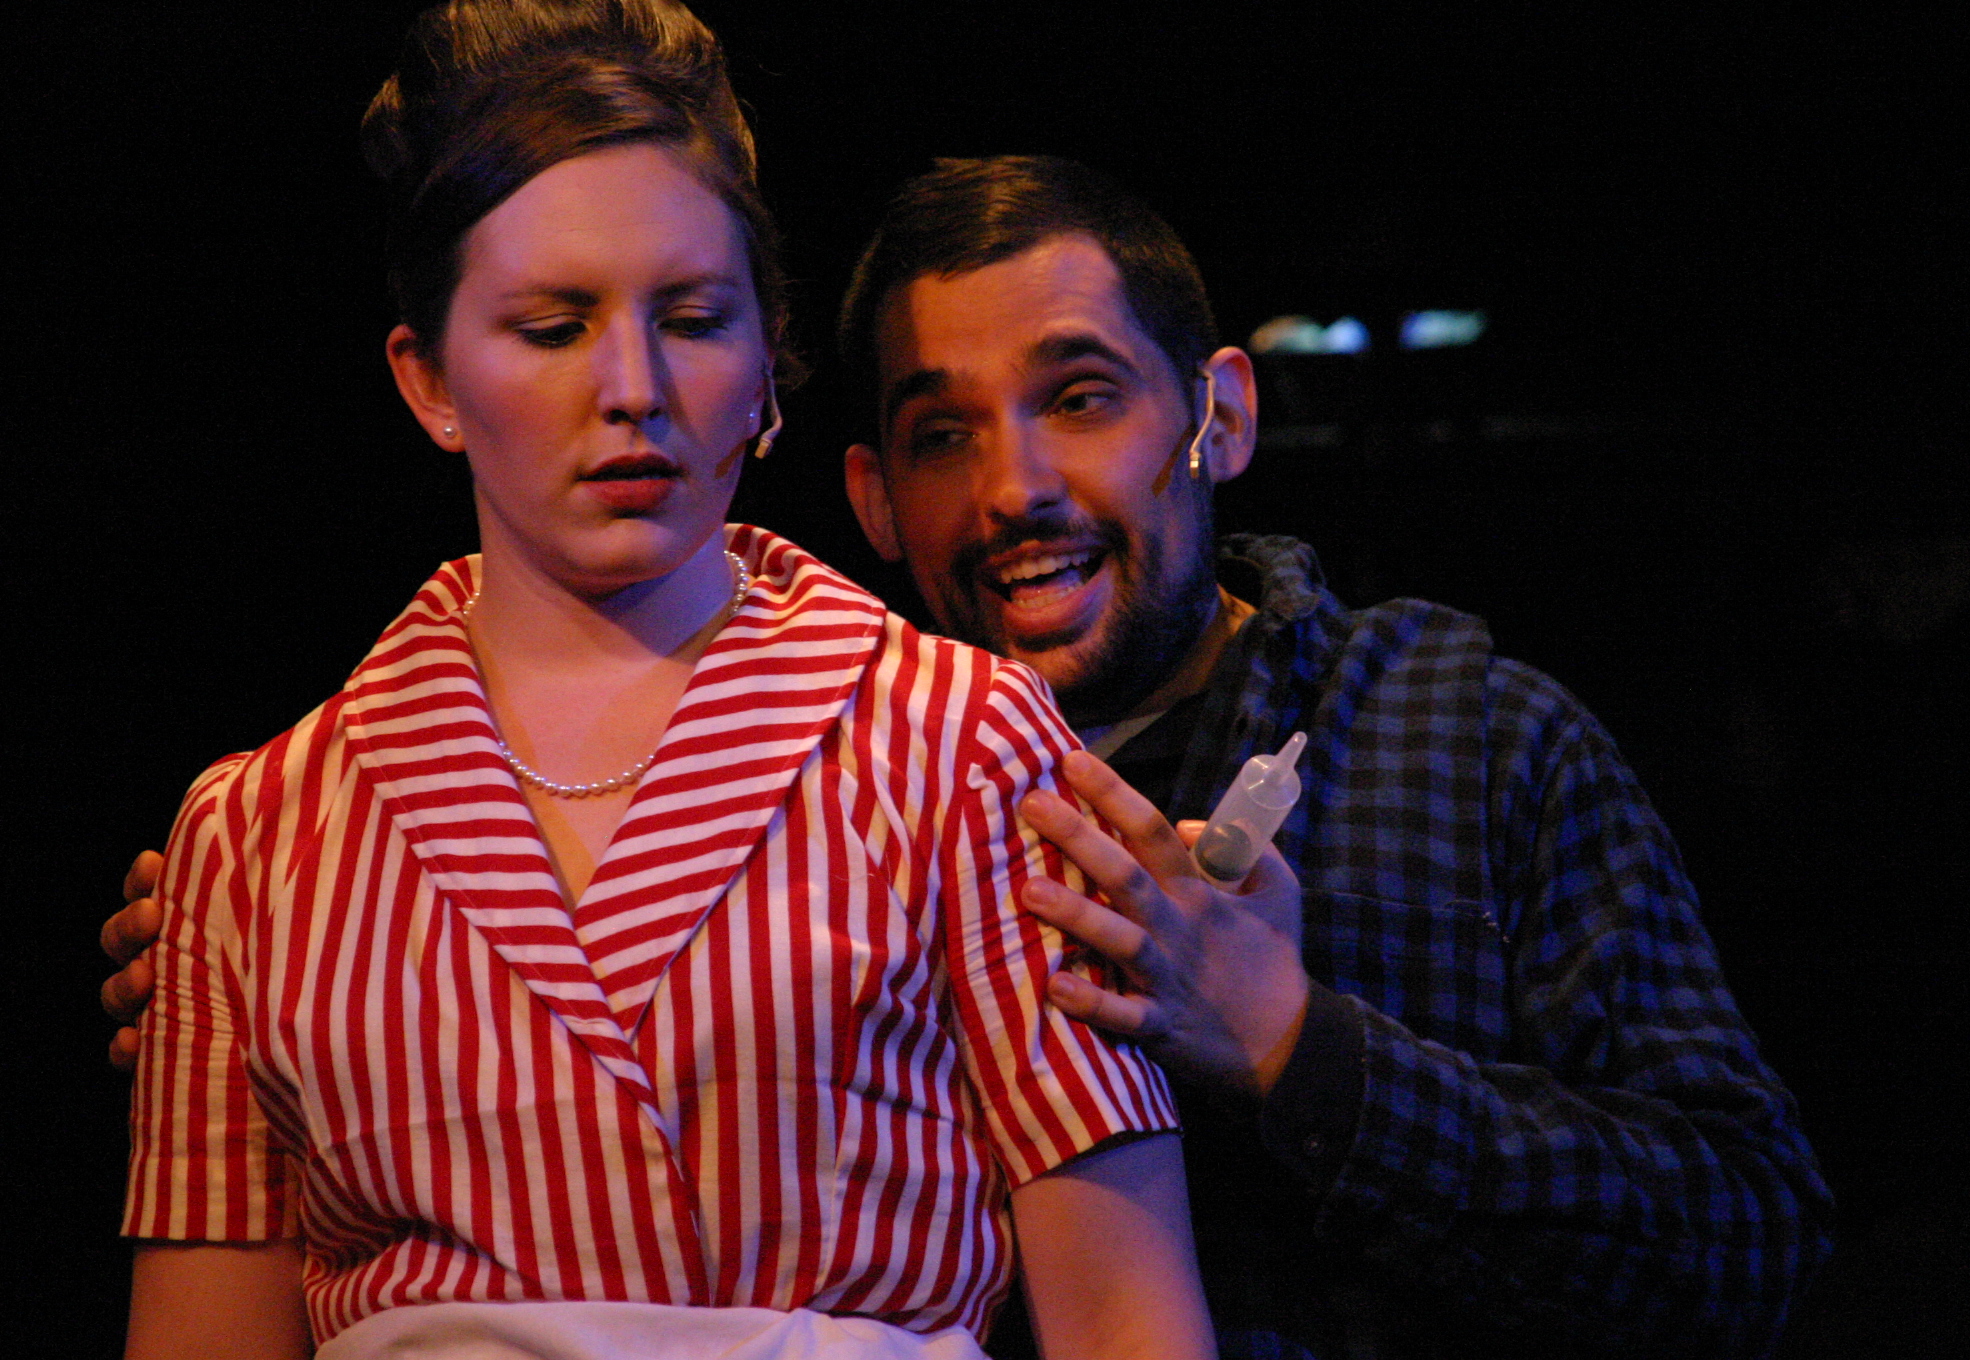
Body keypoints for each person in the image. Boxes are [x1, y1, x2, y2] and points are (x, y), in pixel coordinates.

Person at [101, 143, 1831, 1356]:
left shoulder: (1457, 737)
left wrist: (1299, 1048)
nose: (1015, 490)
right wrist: (331, 965)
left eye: (1081, 398)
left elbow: (1754, 1241)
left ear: (1218, 415)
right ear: (867, 495)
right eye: (943, 436)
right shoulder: (869, 767)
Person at [114, 9, 1212, 1358]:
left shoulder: (961, 742)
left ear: (766, 366)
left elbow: (1127, 1319)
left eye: (693, 320)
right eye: (552, 327)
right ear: (430, 379)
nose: (632, 387)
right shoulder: (255, 837)